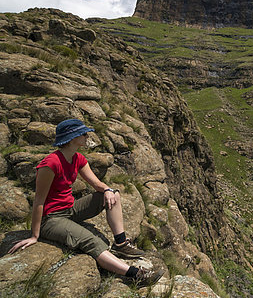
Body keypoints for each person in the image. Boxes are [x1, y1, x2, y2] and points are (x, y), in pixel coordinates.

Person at [8, 119, 164, 286]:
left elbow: (97, 184)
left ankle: (121, 244)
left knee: (113, 195)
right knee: (91, 241)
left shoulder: (78, 159)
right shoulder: (50, 164)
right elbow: (39, 201)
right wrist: (34, 235)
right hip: (51, 218)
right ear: (72, 138)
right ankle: (135, 275)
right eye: (83, 133)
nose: (87, 136)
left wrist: (107, 191)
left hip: (70, 209)